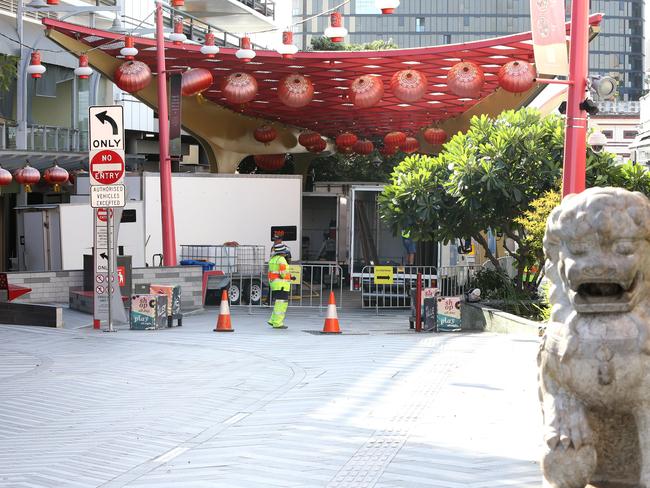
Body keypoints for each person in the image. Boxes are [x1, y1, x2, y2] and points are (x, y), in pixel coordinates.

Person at [267, 247, 292, 329]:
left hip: (274, 284)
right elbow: (283, 274)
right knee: (281, 304)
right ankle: (278, 323)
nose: (286, 254)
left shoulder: (272, 259)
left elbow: (273, 272)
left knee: (278, 303)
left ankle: (272, 320)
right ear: (282, 253)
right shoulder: (281, 260)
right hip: (282, 285)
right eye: (285, 252)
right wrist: (289, 276)